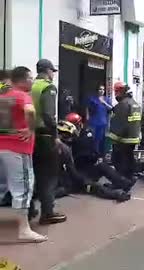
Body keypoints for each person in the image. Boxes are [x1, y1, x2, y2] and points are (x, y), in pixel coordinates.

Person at [0, 66, 47, 242]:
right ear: (21, 80)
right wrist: (30, 128)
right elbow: (30, 111)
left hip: (2, 148)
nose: (32, 81)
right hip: (17, 149)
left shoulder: (3, 96)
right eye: (30, 78)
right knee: (23, 188)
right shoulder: (20, 95)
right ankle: (24, 229)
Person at [56, 119, 132, 202]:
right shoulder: (61, 149)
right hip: (71, 179)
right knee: (93, 186)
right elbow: (69, 171)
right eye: (65, 135)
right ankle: (117, 194)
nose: (69, 137)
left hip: (80, 172)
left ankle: (123, 183)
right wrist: (83, 180)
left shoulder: (76, 142)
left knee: (101, 166)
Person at [30, 59, 67, 224]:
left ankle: (29, 209)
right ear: (46, 71)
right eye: (52, 71)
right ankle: (47, 213)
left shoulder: (29, 86)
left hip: (30, 136)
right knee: (49, 176)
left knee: (33, 174)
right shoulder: (48, 87)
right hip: (45, 137)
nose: (53, 75)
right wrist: (56, 136)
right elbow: (48, 115)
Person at [108, 82, 141, 183]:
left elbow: (119, 124)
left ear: (121, 92)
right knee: (129, 159)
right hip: (133, 138)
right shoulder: (134, 103)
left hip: (122, 139)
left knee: (118, 161)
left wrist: (112, 138)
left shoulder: (122, 105)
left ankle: (121, 182)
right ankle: (130, 178)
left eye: (116, 92)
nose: (115, 94)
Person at [86, 85, 112, 156]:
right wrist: (87, 118)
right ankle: (94, 154)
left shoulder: (107, 100)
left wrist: (104, 103)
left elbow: (111, 109)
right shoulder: (93, 99)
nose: (101, 91)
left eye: (103, 89)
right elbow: (88, 108)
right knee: (93, 139)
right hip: (94, 122)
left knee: (101, 140)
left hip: (103, 123)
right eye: (100, 89)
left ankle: (101, 155)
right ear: (97, 90)